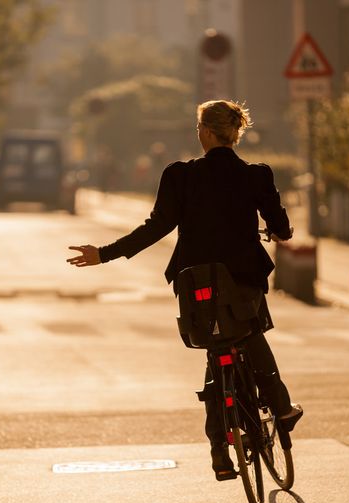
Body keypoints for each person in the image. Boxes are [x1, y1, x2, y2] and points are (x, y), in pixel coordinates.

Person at [67, 99, 303, 480]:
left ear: (207, 133)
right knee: (250, 330)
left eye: (198, 129)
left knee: (215, 352)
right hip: (243, 279)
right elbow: (281, 225)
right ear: (234, 133)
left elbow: (156, 227)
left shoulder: (180, 175)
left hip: (196, 281)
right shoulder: (257, 176)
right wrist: (278, 231)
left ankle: (219, 453)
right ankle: (282, 406)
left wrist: (105, 254)